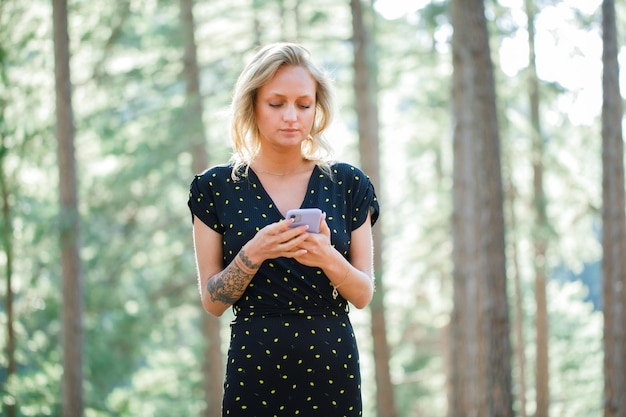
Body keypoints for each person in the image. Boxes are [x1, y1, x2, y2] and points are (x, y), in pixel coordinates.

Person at [188, 42, 379, 417]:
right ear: (253, 106)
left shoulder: (348, 183)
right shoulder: (215, 187)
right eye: (276, 104)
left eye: (303, 104)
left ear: (317, 108)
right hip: (254, 367)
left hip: (331, 367)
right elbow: (213, 302)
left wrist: (326, 257)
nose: (291, 116)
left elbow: (363, 294)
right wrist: (252, 253)